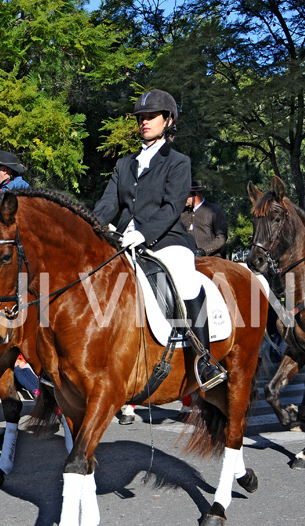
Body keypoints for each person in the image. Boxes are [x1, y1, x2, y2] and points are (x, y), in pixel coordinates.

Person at [93, 89, 226, 390]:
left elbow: (171, 207)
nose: (144, 122)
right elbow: (106, 205)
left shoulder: (178, 162)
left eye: (151, 116)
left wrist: (143, 232)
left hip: (167, 239)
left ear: (168, 120)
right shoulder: (124, 164)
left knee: (186, 279)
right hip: (125, 239)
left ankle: (204, 358)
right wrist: (90, 227)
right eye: (141, 117)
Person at [182, 180, 228, 257]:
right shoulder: (182, 213)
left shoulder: (215, 210)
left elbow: (221, 238)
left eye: (186, 195)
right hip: (186, 257)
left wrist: (204, 250)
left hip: (211, 258)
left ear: (195, 194)